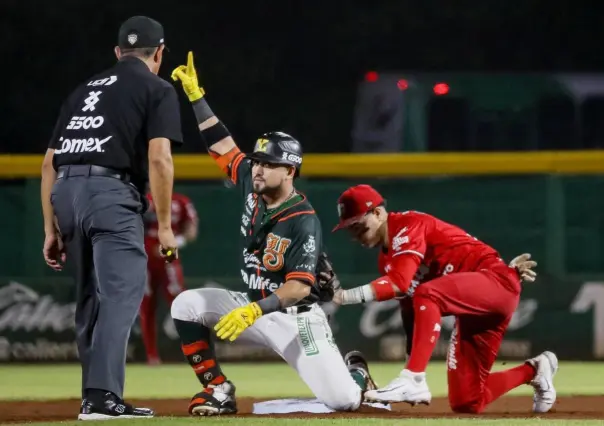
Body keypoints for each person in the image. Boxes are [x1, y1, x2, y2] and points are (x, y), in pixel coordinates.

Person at [168, 52, 377, 416]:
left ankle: (356, 373)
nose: (259, 168)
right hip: (251, 305)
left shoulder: (302, 219)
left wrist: (253, 312)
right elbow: (221, 145)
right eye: (259, 161)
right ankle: (218, 390)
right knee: (185, 304)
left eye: (269, 164)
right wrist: (195, 97)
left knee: (342, 401)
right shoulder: (252, 179)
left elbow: (297, 287)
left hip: (295, 318)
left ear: (290, 171)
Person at [40, 15, 182, 420]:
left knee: (89, 301)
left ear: (118, 53)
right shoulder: (157, 87)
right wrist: (167, 229)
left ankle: (94, 397)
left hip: (65, 193)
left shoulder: (82, 90)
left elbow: (49, 163)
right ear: (159, 53)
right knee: (120, 297)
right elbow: (159, 157)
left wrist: (50, 226)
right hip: (110, 194)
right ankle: (102, 399)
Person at [330, 184, 557, 414]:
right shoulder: (387, 259)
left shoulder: (408, 224)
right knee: (467, 401)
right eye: (349, 229)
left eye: (357, 225)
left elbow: (400, 283)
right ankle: (536, 370)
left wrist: (343, 296)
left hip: (497, 283)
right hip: (471, 308)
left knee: (427, 292)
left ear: (378, 213)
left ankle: (415, 381)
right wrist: (411, 362)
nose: (355, 234)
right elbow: (410, 310)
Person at [141, 189, 199, 365]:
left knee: (181, 304)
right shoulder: (143, 200)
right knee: (146, 307)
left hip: (169, 258)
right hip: (144, 258)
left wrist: (176, 242)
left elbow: (191, 229)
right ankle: (151, 355)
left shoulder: (181, 201)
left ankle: (195, 351)